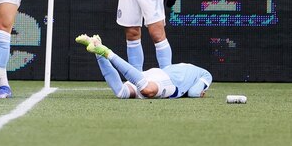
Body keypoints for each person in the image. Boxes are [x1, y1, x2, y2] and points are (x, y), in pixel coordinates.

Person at [76, 34, 212, 99]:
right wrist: (201, 94)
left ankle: (97, 48)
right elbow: (194, 93)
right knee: (147, 90)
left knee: (122, 93)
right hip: (168, 81)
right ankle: (107, 53)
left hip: (158, 74)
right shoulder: (206, 74)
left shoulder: (186, 66)